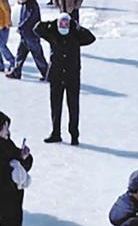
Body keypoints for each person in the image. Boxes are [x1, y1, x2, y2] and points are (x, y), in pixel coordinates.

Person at [36, 14, 95, 145]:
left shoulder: (76, 35)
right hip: (56, 75)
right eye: (61, 23)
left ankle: (74, 135)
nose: (64, 26)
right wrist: (52, 23)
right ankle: (55, 133)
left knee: (73, 106)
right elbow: (37, 29)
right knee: (55, 105)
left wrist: (78, 27)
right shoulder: (52, 33)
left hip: (72, 76)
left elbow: (91, 38)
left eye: (66, 23)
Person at [5, 0, 49, 81]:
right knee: (20, 54)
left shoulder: (31, 4)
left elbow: (30, 19)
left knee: (38, 56)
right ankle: (16, 72)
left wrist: (21, 26)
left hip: (31, 35)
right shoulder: (26, 3)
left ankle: (47, 74)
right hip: (25, 35)